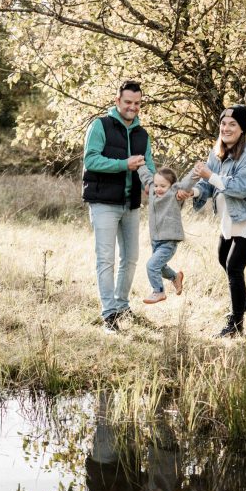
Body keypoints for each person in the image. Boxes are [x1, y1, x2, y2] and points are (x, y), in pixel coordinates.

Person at [82, 80, 156, 333]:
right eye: (128, 102)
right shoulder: (100, 125)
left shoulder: (142, 134)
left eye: (137, 103)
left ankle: (122, 305)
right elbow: (91, 160)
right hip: (103, 202)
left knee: (131, 258)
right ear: (117, 101)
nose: (132, 107)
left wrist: (151, 184)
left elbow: (149, 166)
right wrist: (124, 164)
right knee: (106, 259)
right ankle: (109, 315)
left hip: (131, 203)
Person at [192, 105, 246, 337]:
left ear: (242, 129)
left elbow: (240, 188)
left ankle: (235, 325)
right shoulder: (217, 152)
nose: (226, 128)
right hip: (231, 217)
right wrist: (194, 192)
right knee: (222, 258)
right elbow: (207, 185)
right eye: (223, 124)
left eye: (232, 124)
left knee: (234, 266)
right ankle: (243, 302)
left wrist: (210, 175)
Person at [136, 164, 196, 304]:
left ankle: (158, 291)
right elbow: (146, 177)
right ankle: (175, 277)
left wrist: (196, 171)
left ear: (171, 186)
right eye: (156, 185)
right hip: (155, 240)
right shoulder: (153, 190)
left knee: (151, 265)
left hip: (169, 241)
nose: (158, 189)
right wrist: (140, 165)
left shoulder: (174, 193)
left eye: (163, 186)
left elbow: (187, 183)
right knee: (161, 268)